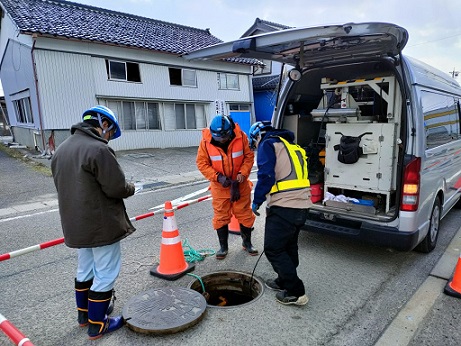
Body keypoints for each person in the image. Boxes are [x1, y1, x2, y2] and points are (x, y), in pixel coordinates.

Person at [51, 105, 136, 340]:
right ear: (104, 124)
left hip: (75, 224)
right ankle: (98, 324)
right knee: (106, 272)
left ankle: (84, 315)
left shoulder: (62, 149)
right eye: (110, 133)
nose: (109, 138)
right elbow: (116, 187)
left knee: (85, 268)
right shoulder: (98, 149)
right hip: (100, 224)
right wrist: (132, 187)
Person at [249, 121, 311, 306]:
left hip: (285, 206)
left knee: (274, 249)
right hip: (302, 205)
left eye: (254, 143)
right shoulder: (293, 147)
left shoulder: (268, 144)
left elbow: (266, 175)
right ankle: (283, 280)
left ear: (258, 136)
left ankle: (295, 292)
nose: (255, 146)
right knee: (289, 246)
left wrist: (257, 200)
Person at [196, 114, 257, 259]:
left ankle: (247, 243)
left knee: (245, 215)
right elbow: (202, 164)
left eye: (224, 137)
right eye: (218, 138)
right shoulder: (205, 142)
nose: (222, 140)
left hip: (240, 184)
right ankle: (223, 247)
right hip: (220, 187)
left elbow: (249, 157)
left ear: (229, 132)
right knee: (220, 216)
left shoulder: (241, 137)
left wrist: (243, 173)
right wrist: (218, 177)